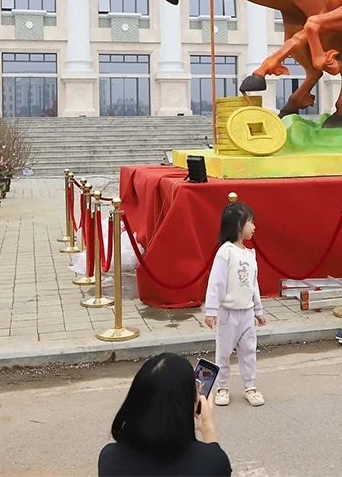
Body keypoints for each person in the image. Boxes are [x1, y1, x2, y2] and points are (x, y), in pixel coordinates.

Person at [98, 353, 232, 477]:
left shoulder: (109, 459)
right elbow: (216, 465)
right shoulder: (213, 463)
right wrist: (209, 429)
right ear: (188, 405)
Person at [203, 202, 266, 407]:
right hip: (228, 313)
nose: (254, 227)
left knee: (249, 350)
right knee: (224, 351)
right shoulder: (226, 252)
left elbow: (253, 285)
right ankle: (222, 387)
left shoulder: (250, 255)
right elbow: (217, 282)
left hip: (247, 313)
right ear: (239, 225)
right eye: (251, 222)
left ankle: (250, 386)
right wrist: (212, 310)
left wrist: (258, 310)